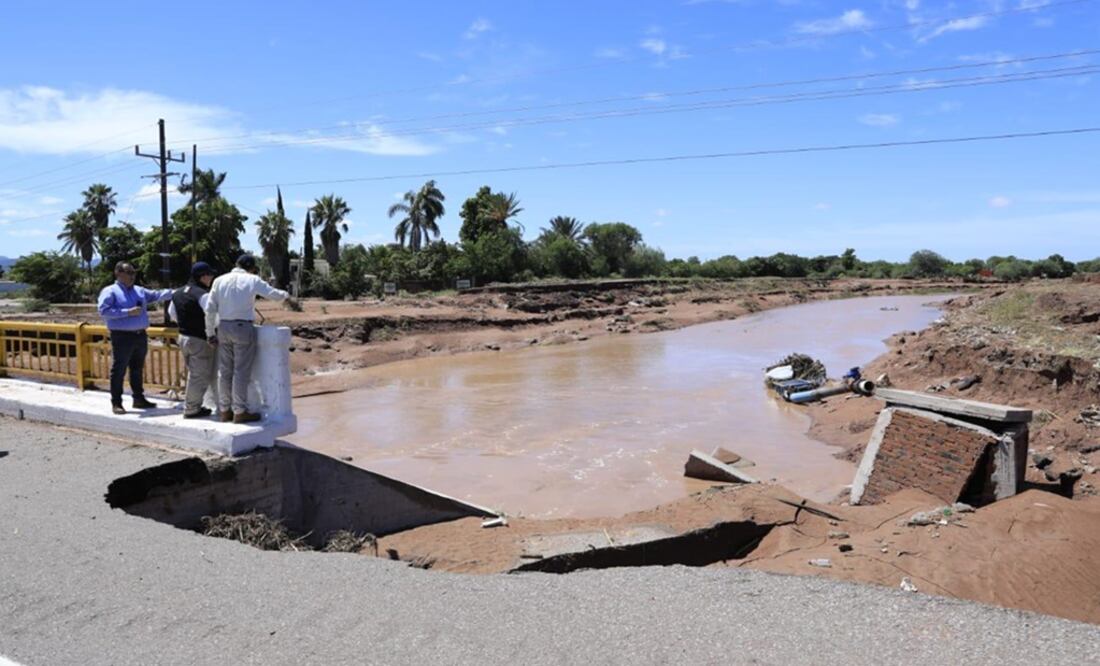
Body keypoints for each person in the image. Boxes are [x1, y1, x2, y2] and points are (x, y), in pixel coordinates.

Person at [205, 254, 290, 423]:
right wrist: (286, 296)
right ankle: (239, 411)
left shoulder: (219, 280)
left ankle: (224, 411)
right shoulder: (252, 279)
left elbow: (210, 309)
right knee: (241, 371)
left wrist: (210, 333)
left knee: (225, 371)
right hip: (243, 328)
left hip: (223, 327)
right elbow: (272, 294)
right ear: (251, 267)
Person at [96, 262, 174, 414]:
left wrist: (179, 292)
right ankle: (116, 402)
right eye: (129, 272)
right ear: (118, 273)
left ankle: (138, 398)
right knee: (118, 370)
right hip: (122, 336)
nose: (132, 275)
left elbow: (157, 295)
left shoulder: (139, 291)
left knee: (137, 369)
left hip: (140, 335)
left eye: (133, 272)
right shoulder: (110, 291)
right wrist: (127, 312)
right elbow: (103, 311)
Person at [169, 262, 218, 419]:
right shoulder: (202, 294)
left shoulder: (177, 292)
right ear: (203, 276)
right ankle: (191, 408)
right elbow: (212, 316)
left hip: (183, 337)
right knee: (199, 376)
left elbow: (172, 314)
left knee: (193, 374)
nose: (211, 278)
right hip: (199, 339)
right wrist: (212, 332)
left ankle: (192, 405)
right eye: (210, 275)